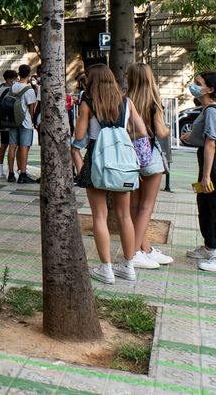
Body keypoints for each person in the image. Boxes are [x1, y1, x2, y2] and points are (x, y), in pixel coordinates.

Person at [71, 64, 148, 284]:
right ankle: (128, 266)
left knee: (99, 216)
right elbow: (142, 131)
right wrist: (121, 137)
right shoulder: (126, 101)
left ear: (92, 80)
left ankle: (106, 269)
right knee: (124, 216)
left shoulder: (88, 102)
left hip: (96, 158)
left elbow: (79, 135)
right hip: (122, 161)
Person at [181, 71, 216, 273]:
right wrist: (190, 137)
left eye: (199, 83)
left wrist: (206, 176)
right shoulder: (207, 109)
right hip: (209, 162)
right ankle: (210, 247)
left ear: (210, 89)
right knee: (206, 206)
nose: (194, 85)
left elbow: (211, 144)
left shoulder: (212, 110)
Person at [125, 63, 173, 269]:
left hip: (129, 157)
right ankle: (134, 252)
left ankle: (146, 249)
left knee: (134, 207)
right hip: (150, 157)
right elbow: (161, 132)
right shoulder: (154, 102)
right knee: (146, 207)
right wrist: (168, 129)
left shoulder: (125, 101)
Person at [6, 65, 39, 184]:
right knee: (24, 147)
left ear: (19, 73)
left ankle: (11, 173)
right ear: (29, 74)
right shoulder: (29, 90)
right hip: (25, 122)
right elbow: (31, 109)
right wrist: (33, 121)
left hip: (12, 120)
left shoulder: (13, 86)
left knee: (12, 146)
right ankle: (23, 174)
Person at [0, 70, 18, 178]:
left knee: (3, 145)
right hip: (10, 121)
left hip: (2, 121)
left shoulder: (0, 88)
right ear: (9, 79)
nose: (15, 80)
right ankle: (10, 170)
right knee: (12, 146)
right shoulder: (10, 89)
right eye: (14, 79)